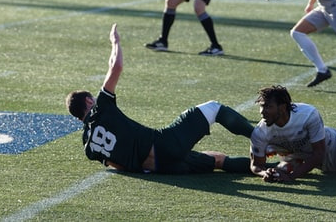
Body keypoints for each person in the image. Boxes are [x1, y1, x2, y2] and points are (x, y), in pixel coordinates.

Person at [65, 23, 253, 174]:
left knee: (216, 160)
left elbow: (117, 165)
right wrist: (115, 43)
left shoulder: (88, 146)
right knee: (213, 108)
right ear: (89, 102)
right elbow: (116, 67)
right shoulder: (101, 109)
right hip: (163, 145)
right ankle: (260, 137)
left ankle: (274, 168)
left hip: (160, 168)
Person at [250, 85, 336, 182]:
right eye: (261, 106)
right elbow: (256, 165)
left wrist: (291, 177)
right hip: (323, 166)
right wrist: (266, 173)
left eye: (268, 106)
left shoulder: (308, 114)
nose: (262, 112)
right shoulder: (260, 132)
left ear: (282, 108)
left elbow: (319, 153)